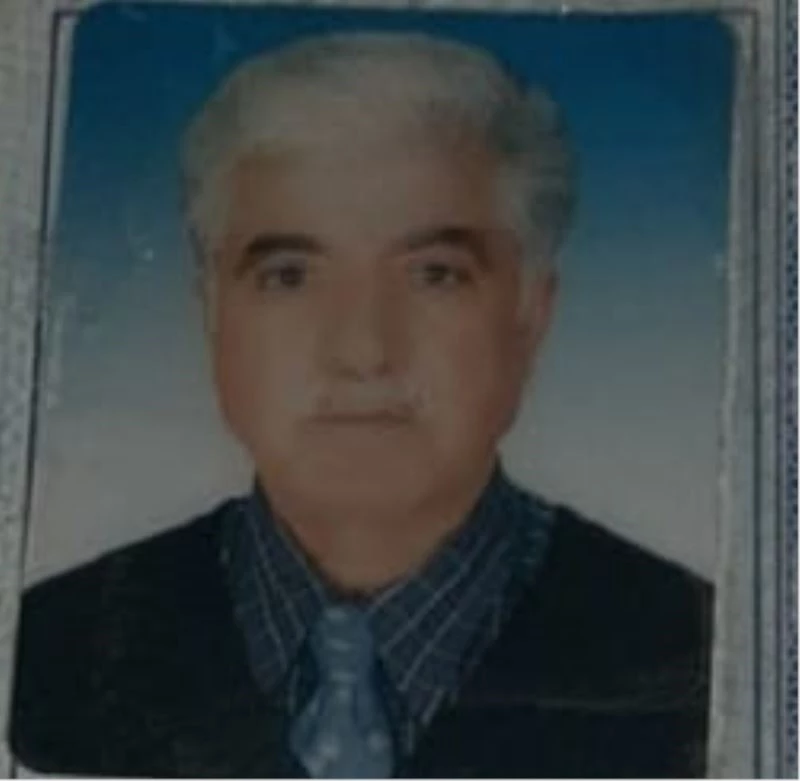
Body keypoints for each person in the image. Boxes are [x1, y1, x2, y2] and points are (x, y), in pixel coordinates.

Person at [9, 31, 713, 778]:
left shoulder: (699, 662)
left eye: (435, 274)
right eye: (289, 275)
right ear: (212, 311)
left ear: (531, 314)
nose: (363, 350)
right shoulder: (50, 656)